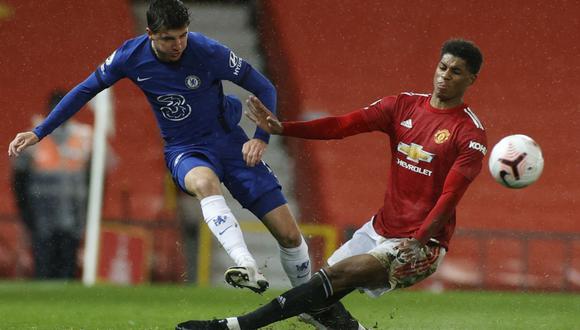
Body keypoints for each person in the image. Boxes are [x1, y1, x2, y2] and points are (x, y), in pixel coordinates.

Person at [175, 38, 486, 330]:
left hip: (421, 245)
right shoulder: (404, 106)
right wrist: (283, 128)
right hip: (379, 229)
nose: (445, 76)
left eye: (456, 72)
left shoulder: (468, 134)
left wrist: (419, 240)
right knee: (315, 302)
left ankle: (233, 325)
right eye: (442, 67)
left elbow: (449, 198)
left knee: (328, 280)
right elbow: (341, 125)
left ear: (471, 80)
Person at [8, 0, 311, 292]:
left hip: (230, 143)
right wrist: (41, 131)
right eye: (168, 38)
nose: (178, 44)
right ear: (150, 34)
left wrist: (260, 137)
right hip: (185, 149)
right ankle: (246, 265)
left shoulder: (207, 50)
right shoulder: (130, 56)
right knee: (204, 182)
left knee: (288, 235)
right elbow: (86, 89)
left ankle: (314, 303)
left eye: (182, 36)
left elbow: (264, 87)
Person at [11, 90, 92, 279]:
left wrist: (86, 211)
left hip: (72, 215)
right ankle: (41, 305)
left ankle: (66, 304)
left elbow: (95, 177)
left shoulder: (83, 137)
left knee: (67, 265)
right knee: (44, 265)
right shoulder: (32, 137)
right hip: (42, 216)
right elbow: (18, 180)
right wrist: (25, 212)